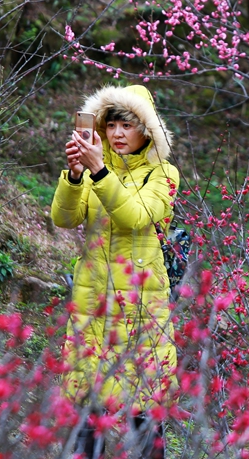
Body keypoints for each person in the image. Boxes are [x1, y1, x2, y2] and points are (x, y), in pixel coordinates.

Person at [51, 85, 178, 459]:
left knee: (144, 407)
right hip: (92, 302)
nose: (118, 134)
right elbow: (63, 218)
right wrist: (74, 177)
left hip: (141, 304)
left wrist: (98, 170)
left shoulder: (163, 175)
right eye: (111, 125)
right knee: (86, 406)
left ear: (147, 131)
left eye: (128, 125)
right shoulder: (92, 169)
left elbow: (135, 216)